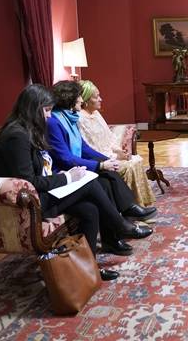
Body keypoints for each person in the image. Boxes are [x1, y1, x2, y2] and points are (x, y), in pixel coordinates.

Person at [0, 85, 150, 281]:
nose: (49, 116)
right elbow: (29, 181)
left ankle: (89, 268)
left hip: (41, 194)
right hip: (29, 203)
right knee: (90, 183)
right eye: (47, 110)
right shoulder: (16, 136)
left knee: (90, 209)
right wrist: (68, 178)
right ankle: (120, 225)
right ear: (33, 108)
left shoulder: (28, 129)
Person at [47, 81, 156, 256]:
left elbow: (84, 148)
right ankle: (116, 232)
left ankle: (119, 226)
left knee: (108, 175)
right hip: (65, 172)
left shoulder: (70, 117)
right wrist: (99, 165)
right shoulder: (54, 122)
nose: (81, 100)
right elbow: (64, 158)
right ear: (69, 99)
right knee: (103, 181)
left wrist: (107, 161)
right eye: (79, 97)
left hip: (78, 166)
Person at [77, 80, 156, 207]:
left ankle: (140, 205)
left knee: (136, 160)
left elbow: (109, 137)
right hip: (101, 158)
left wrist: (119, 151)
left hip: (111, 154)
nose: (100, 99)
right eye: (96, 97)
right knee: (128, 167)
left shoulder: (96, 114)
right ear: (85, 99)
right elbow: (90, 148)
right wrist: (114, 157)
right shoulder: (80, 119)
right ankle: (128, 207)